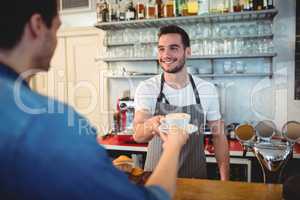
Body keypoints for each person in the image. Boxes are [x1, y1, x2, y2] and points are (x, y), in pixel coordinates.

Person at [0, 1, 189, 199]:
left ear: (187, 52)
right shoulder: (49, 124)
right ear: (37, 25)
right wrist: (173, 144)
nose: (56, 41)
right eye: (56, 29)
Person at [133, 25, 230, 180]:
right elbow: (138, 135)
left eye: (173, 48)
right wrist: (152, 124)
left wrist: (226, 181)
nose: (166, 55)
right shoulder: (147, 88)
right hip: (156, 178)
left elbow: (219, 137)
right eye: (161, 49)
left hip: (195, 178)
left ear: (188, 52)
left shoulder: (206, 89)